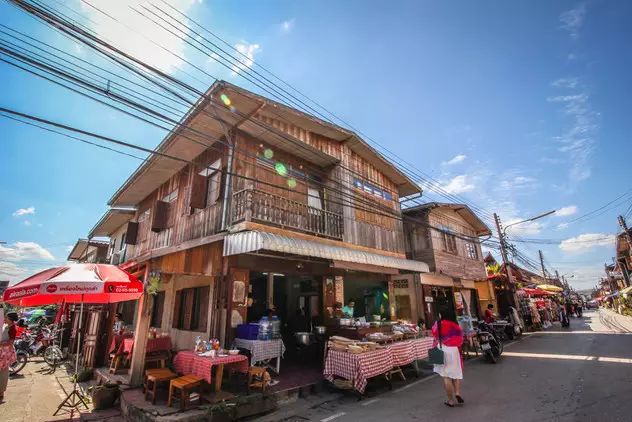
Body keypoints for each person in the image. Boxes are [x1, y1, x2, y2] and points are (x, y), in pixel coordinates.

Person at [432, 305, 464, 407]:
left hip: (442, 349)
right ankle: (457, 393)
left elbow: (434, 333)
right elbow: (460, 339)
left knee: (446, 377)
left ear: (442, 315)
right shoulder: (455, 325)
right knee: (456, 373)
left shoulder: (438, 324)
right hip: (454, 350)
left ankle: (450, 400)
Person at [0, 311, 19, 401]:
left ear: (11, 319)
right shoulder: (6, 326)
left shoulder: (12, 329)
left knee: (3, 372)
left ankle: (1, 393)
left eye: (6, 317)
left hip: (6, 352)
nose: (5, 318)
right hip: (2, 351)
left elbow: (10, 343)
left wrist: (0, 344)